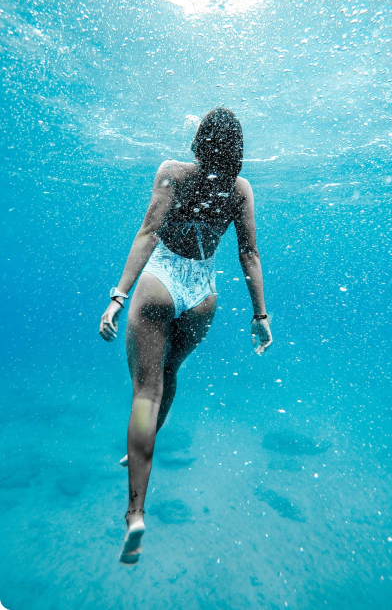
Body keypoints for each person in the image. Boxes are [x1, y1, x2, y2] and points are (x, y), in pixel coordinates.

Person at [99, 108, 272, 565]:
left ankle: (135, 512)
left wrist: (118, 297)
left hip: (160, 282)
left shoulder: (172, 173)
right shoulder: (240, 189)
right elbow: (249, 254)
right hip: (203, 294)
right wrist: (260, 314)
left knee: (145, 392)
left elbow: (148, 233)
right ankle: (147, 441)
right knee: (170, 371)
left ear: (199, 140)